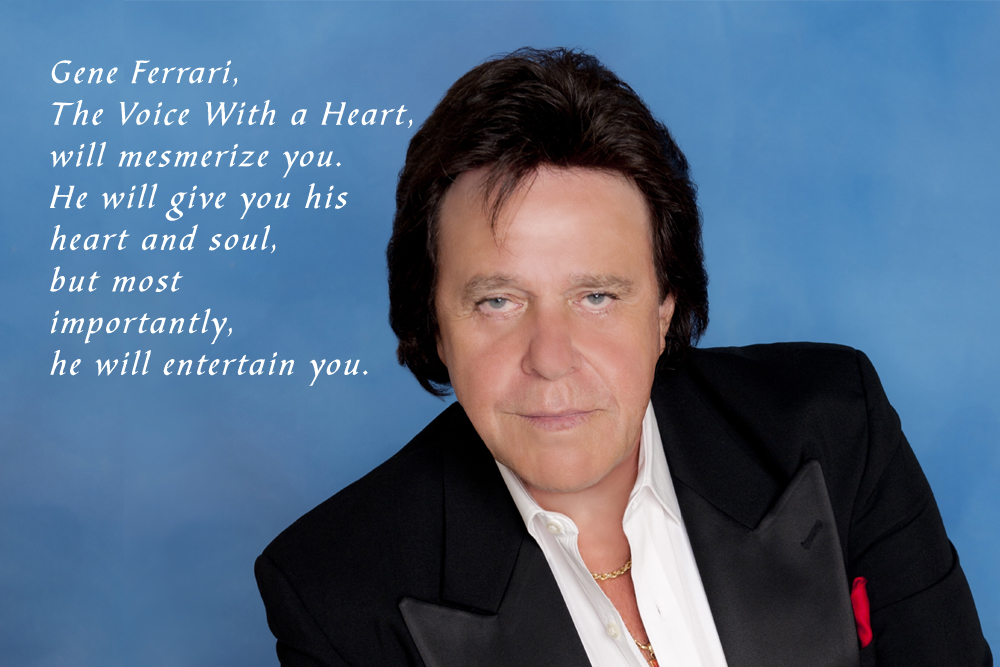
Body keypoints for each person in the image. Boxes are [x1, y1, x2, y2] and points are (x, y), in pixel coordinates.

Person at [255, 48, 992, 667]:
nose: (550, 359)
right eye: (498, 301)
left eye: (597, 296)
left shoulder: (835, 427)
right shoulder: (334, 593)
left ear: (664, 309)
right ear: (437, 326)